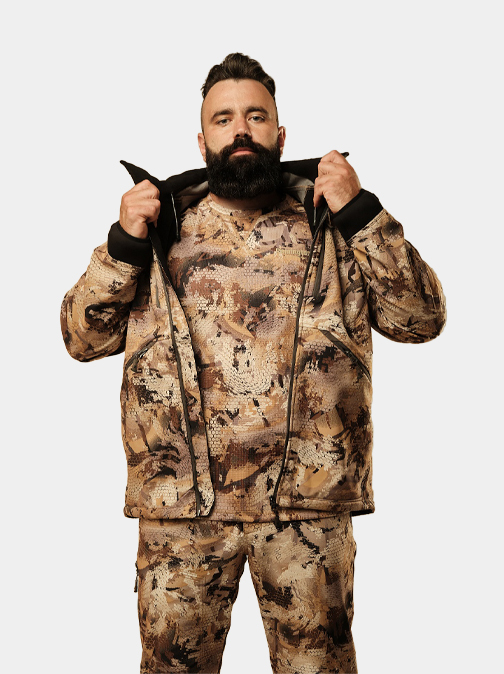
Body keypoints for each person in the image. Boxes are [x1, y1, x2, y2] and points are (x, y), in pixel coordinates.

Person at [61, 53, 446, 674]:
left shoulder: (333, 222)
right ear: (202, 140)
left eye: (256, 116)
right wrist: (124, 243)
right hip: (181, 512)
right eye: (223, 119)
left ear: (279, 134)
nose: (240, 129)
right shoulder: (159, 228)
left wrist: (361, 211)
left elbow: (420, 319)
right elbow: (82, 338)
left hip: (307, 511)